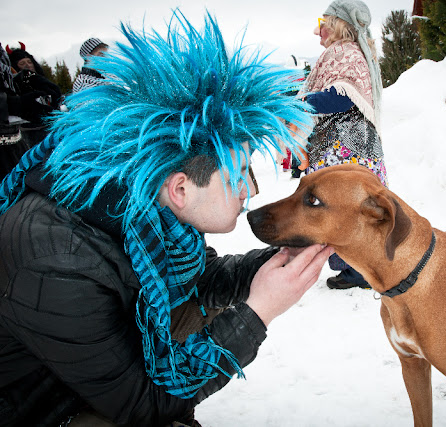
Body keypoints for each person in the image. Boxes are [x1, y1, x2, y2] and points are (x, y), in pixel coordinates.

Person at [0, 13, 330, 427]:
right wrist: (259, 311)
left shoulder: (146, 204)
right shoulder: (59, 261)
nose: (251, 189)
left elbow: (200, 279)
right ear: (181, 189)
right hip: (41, 406)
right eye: (238, 173)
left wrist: (276, 263)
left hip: (87, 373)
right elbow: (142, 404)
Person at [301, 0, 387, 289]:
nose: (317, 30)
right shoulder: (354, 53)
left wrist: (300, 103)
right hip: (356, 144)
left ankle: (358, 270)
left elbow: (341, 97)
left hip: (345, 145)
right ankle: (361, 267)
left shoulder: (344, 53)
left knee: (339, 205)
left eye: (322, 22)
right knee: (356, 205)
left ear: (337, 24)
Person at [0, 43, 55, 180]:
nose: (27, 65)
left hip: (15, 144)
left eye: (29, 62)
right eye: (22, 63)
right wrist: (17, 103)